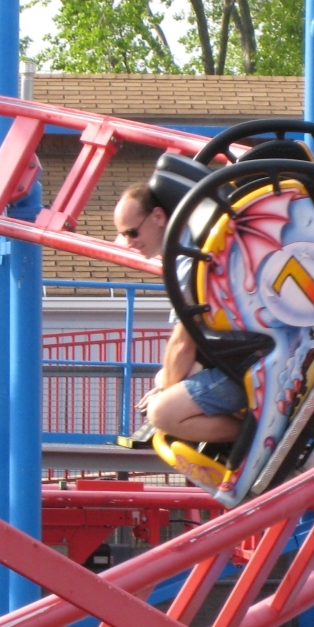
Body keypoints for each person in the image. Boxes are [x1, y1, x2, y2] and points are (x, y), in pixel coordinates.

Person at [114, 182, 245, 443]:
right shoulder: (187, 245)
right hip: (235, 355)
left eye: (132, 232)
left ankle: (257, 439)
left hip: (251, 366)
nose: (129, 243)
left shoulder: (188, 261)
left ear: (158, 217)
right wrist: (165, 385)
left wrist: (164, 395)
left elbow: (182, 343)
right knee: (164, 375)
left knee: (162, 413)